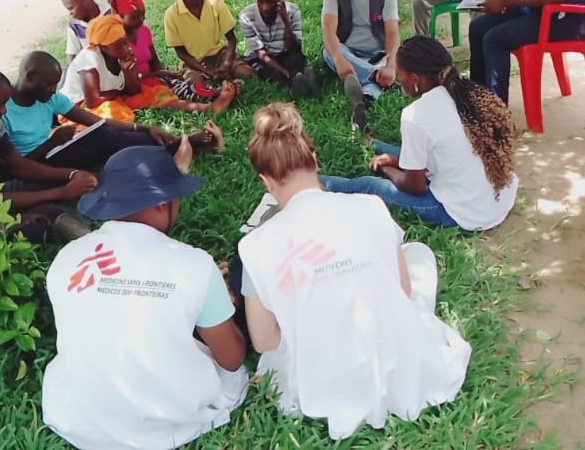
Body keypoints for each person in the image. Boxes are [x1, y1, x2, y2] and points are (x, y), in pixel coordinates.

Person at [237, 103, 471, 440]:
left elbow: (264, 341)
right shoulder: (370, 206)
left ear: (266, 180)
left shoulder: (255, 245)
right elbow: (404, 289)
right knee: (417, 255)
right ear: (315, 159)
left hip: (321, 376)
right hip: (394, 356)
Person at [42, 145, 248, 450]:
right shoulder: (194, 266)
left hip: (80, 416)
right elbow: (232, 359)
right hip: (167, 421)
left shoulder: (68, 258)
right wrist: (222, 304)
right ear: (163, 203)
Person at [320, 36, 518, 230]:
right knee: (400, 153)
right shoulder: (469, 93)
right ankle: (368, 141)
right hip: (500, 197)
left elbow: (416, 187)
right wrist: (397, 161)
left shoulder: (415, 116)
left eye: (401, 75)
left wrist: (387, 169)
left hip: (464, 212)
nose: (400, 81)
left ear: (415, 79)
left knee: (370, 185)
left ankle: (315, 183)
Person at [4, 50, 225, 171]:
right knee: (99, 138)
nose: (54, 90)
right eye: (49, 84)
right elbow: (16, 168)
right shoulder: (3, 110)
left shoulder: (49, 98)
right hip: (39, 165)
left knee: (101, 132)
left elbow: (96, 121)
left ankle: (177, 144)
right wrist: (52, 142)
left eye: (55, 84)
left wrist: (145, 128)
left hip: (57, 151)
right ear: (29, 77)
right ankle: (180, 146)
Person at [0, 67, 98, 242]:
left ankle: (77, 230)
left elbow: (19, 165)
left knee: (49, 189)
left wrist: (72, 174)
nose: (4, 111)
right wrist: (61, 193)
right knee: (36, 226)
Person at [62, 14, 239, 122]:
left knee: (155, 93)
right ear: (103, 47)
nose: (126, 48)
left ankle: (209, 107)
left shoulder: (123, 56)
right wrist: (119, 92)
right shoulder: (89, 59)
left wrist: (127, 72)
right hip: (80, 106)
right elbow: (92, 101)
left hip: (114, 96)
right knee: (114, 114)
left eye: (125, 42)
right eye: (119, 46)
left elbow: (134, 90)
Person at [107, 0, 232, 112]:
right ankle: (210, 107)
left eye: (143, 15)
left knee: (186, 83)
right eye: (135, 17)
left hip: (155, 79)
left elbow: (154, 62)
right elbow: (122, 81)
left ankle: (216, 93)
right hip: (136, 87)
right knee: (166, 99)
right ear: (121, 16)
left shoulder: (144, 31)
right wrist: (159, 74)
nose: (141, 20)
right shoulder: (116, 41)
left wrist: (168, 74)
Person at [321, 0, 400, 131]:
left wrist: (391, 64)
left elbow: (392, 33)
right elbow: (329, 31)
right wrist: (339, 59)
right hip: (349, 53)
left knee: (393, 58)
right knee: (329, 52)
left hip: (378, 53)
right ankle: (375, 77)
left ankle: (364, 100)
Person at [163, 0, 255, 82]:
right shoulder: (172, 14)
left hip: (219, 55)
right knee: (193, 82)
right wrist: (206, 72)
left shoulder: (216, 3)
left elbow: (231, 39)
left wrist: (226, 64)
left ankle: (225, 72)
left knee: (247, 73)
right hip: (194, 63)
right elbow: (180, 52)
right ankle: (210, 78)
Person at [239, 0, 318, 98]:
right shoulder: (246, 16)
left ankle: (303, 80)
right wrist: (283, 70)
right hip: (260, 58)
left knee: (296, 58)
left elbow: (296, 47)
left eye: (270, 2)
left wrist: (286, 21)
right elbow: (261, 53)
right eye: (260, 2)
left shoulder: (293, 11)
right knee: (268, 72)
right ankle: (299, 82)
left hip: (284, 53)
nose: (265, 7)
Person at [61, 0, 111, 67]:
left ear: (84, 1)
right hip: (94, 69)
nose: (70, 13)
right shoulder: (74, 24)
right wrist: (72, 71)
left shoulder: (110, 12)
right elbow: (72, 54)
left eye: (71, 8)